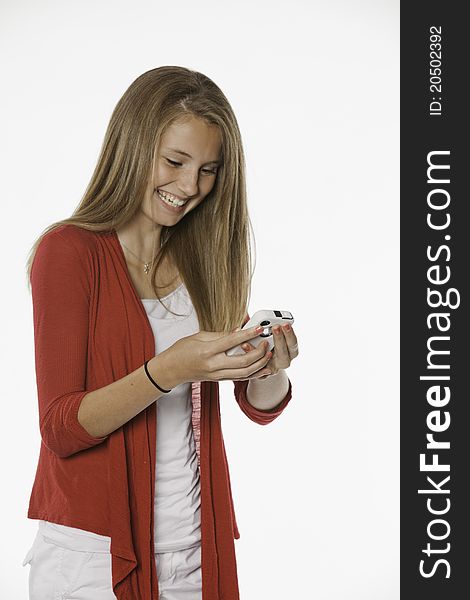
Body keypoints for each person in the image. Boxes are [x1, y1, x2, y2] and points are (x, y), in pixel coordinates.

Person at [22, 66, 298, 600]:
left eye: (209, 170)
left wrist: (271, 365)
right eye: (175, 162)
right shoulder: (70, 252)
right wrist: (168, 369)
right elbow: (60, 427)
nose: (190, 187)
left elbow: (257, 406)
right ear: (133, 145)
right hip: (91, 556)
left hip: (195, 543)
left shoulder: (205, 261)